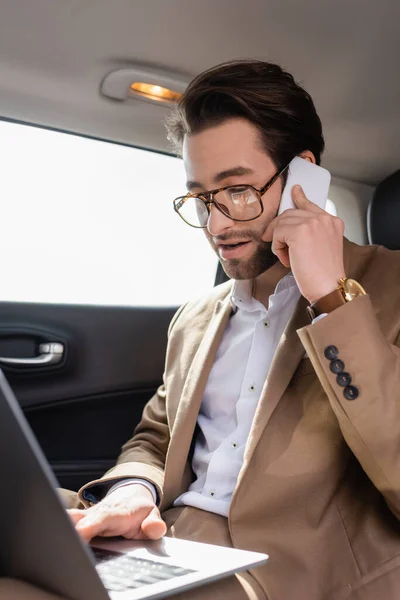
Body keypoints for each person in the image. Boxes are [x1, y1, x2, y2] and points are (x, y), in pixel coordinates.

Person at [62, 60, 400, 599]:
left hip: (287, 576)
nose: (217, 225)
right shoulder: (196, 317)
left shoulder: (387, 290)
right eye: (200, 198)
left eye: (238, 190)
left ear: (302, 177)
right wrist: (132, 490)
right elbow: (155, 438)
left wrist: (331, 299)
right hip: (167, 547)